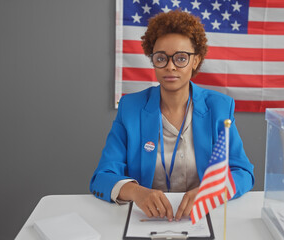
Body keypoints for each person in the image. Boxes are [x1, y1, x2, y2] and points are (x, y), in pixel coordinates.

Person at [90, 10, 254, 222]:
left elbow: (243, 172)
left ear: (196, 61)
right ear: (153, 61)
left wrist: (210, 192)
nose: (170, 66)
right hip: (146, 220)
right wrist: (136, 192)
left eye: (181, 58)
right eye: (161, 58)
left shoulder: (219, 107)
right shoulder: (130, 108)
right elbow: (102, 177)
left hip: (201, 218)